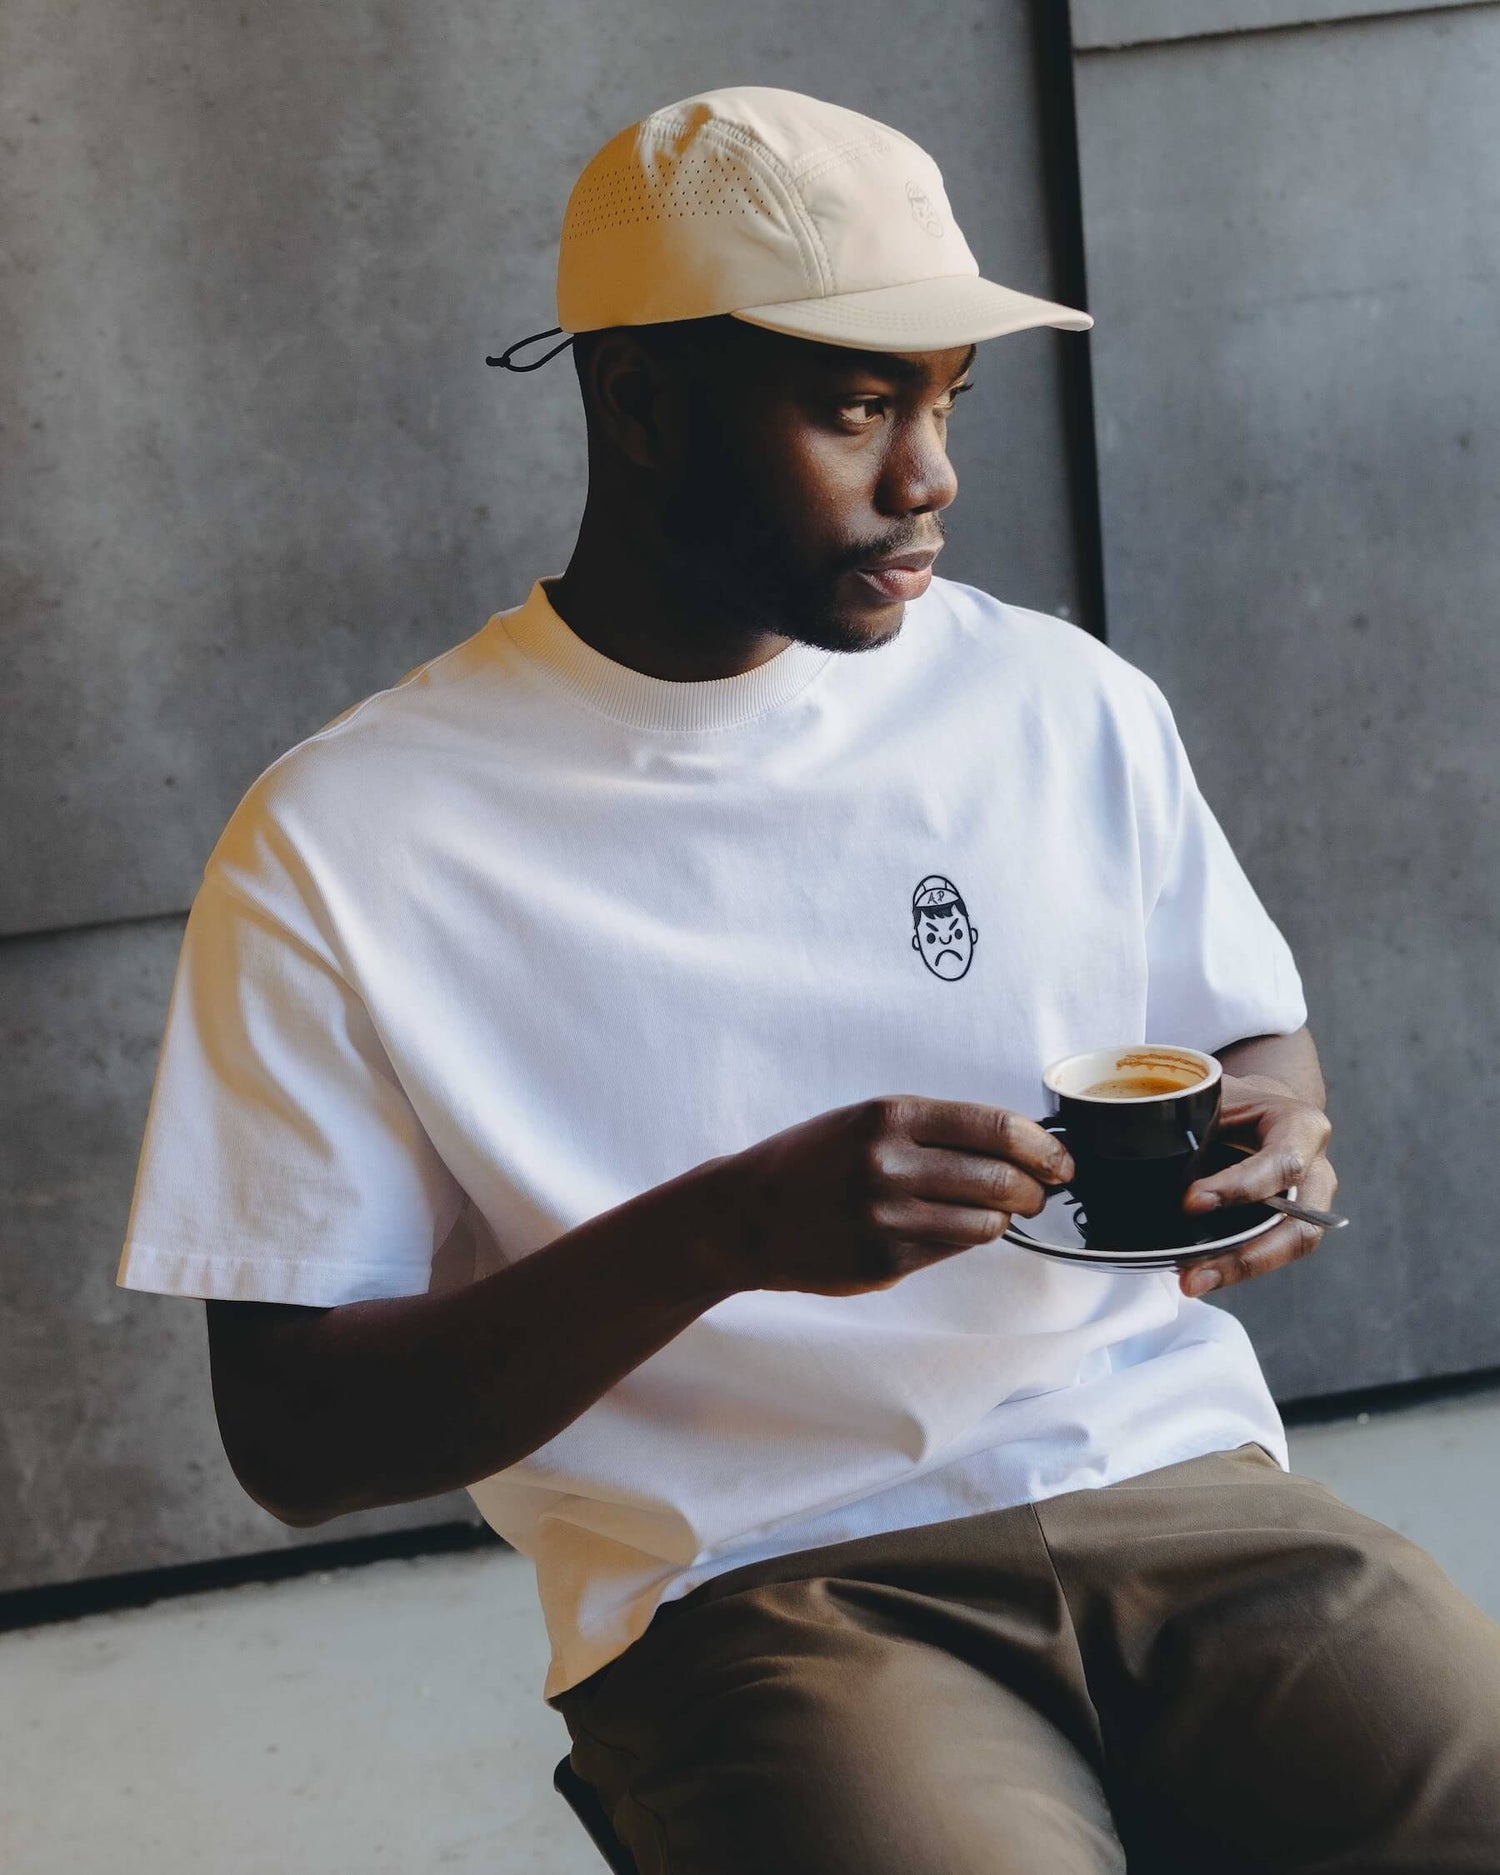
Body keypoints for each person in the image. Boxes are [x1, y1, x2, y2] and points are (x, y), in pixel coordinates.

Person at [116, 86, 1500, 1871]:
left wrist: (1281, 1138)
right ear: (639, 400)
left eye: (946, 400)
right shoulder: (348, 837)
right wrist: (726, 1234)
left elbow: (1244, 1029)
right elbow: (297, 1436)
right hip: (758, 1581)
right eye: (857, 403)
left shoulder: (1057, 700)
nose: (927, 476)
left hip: (1180, 1493)